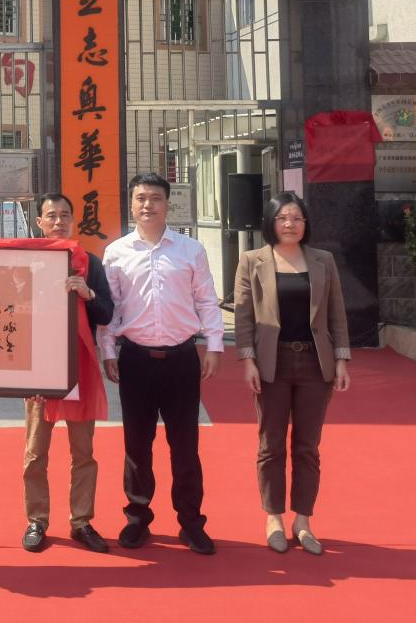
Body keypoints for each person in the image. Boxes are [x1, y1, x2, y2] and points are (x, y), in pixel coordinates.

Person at [99, 172, 225, 555]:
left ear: (168, 204)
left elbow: (206, 300)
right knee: (137, 445)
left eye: (155, 197)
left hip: (181, 360)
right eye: (141, 198)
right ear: (131, 204)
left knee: (185, 445)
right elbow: (111, 310)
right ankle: (137, 518)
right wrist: (109, 352)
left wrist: (215, 345)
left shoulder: (190, 250)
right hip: (135, 360)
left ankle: (191, 522)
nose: (148, 204)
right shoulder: (116, 253)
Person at [234, 191, 351, 556]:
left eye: (297, 218)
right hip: (273, 363)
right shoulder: (252, 260)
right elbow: (243, 316)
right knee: (270, 445)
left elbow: (336, 313)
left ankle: (303, 520)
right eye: (283, 217)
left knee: (307, 447)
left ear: (305, 223)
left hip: (316, 364)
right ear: (271, 222)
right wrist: (248, 360)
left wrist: (341, 359)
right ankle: (273, 518)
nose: (290, 224)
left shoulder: (323, 260)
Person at [22, 193, 114, 554]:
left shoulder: (89, 263)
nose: (58, 222)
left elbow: (107, 313)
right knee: (35, 452)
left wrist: (87, 293)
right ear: (39, 223)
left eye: (64, 215)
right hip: (39, 368)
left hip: (79, 368)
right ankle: (37, 520)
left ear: (73, 221)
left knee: (83, 452)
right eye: (51, 216)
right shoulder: (28, 261)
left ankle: (81, 521)